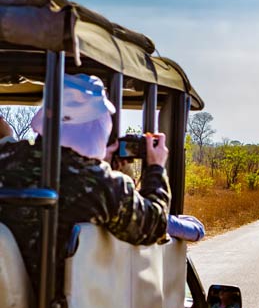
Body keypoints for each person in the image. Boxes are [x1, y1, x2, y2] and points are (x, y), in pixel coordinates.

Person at [0, 74, 170, 290]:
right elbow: (153, 226)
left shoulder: (6, 157)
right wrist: (156, 168)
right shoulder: (103, 184)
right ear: (98, 125)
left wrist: (100, 163)